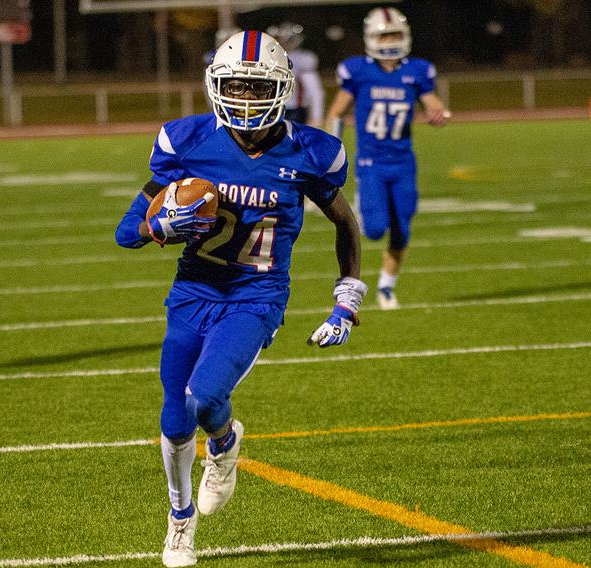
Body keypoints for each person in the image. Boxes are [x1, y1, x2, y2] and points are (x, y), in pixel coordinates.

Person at [114, 30, 367, 567]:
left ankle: (224, 446)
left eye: (257, 88)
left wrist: (347, 297)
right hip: (193, 291)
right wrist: (161, 225)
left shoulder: (311, 151)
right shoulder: (186, 141)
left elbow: (345, 222)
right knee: (173, 418)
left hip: (256, 296)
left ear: (281, 87)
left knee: (202, 398)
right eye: (237, 87)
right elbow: (125, 232)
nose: (246, 99)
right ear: (215, 86)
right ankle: (179, 521)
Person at [324, 7, 449, 309]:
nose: (391, 40)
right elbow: (336, 113)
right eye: (385, 34)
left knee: (402, 228)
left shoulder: (417, 70)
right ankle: (365, 207)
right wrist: (330, 150)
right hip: (372, 162)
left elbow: (432, 100)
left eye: (395, 34)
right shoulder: (359, 71)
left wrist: (437, 111)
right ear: (371, 38)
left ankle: (387, 286)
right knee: (376, 228)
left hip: (403, 161)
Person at [267, 21, 325, 128]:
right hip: (274, 106)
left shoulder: (302, 59)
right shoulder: (271, 57)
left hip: (295, 109)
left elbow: (315, 90)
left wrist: (317, 116)